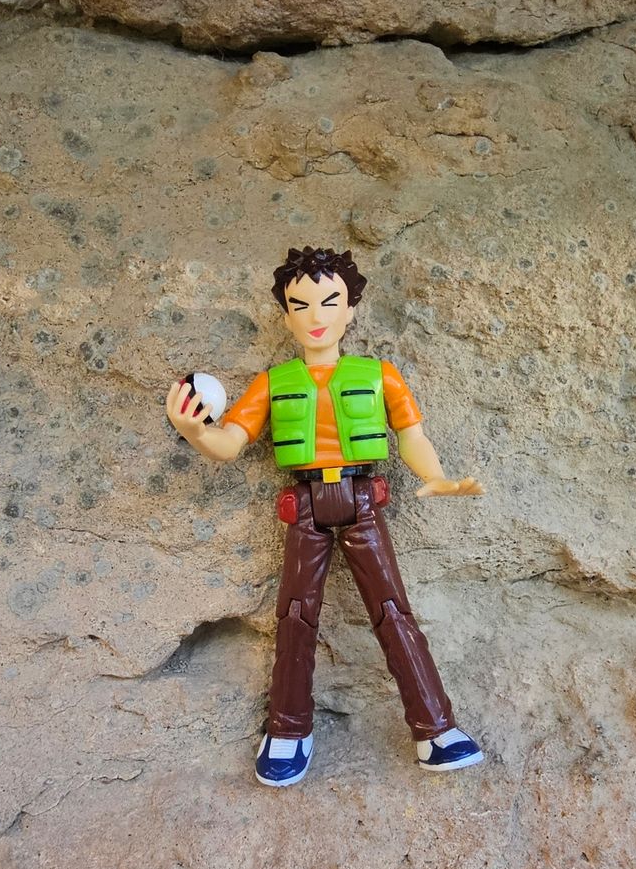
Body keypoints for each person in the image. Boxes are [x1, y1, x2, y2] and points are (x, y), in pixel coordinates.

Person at [166, 246, 485, 787]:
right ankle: (288, 729)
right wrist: (195, 430)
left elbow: (411, 435)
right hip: (307, 507)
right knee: (295, 616)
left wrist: (436, 476)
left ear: (350, 309)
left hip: (362, 501)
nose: (316, 316)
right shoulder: (273, 383)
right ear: (286, 315)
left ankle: (436, 729)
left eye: (330, 302)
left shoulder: (379, 375)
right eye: (301, 305)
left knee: (393, 611)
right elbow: (229, 443)